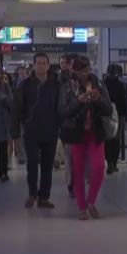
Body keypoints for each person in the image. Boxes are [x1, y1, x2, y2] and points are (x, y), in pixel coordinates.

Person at [59, 56, 113, 220]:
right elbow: (62, 111)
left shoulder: (99, 84)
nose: (86, 73)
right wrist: (78, 101)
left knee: (98, 167)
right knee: (78, 170)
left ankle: (91, 202)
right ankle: (82, 207)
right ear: (73, 71)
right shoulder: (68, 87)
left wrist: (99, 100)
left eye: (88, 69)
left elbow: (108, 109)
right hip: (76, 132)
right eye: (82, 70)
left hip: (95, 131)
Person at [13, 53, 61, 209]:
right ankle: (32, 193)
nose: (41, 66)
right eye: (38, 63)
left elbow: (60, 107)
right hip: (31, 131)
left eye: (44, 63)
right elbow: (17, 108)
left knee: (47, 166)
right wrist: (15, 130)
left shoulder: (56, 85)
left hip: (51, 131)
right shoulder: (25, 85)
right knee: (32, 164)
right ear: (33, 65)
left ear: (48, 65)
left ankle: (44, 197)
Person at [104, 64, 127, 174]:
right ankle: (113, 163)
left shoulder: (103, 84)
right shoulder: (121, 85)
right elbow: (124, 102)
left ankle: (108, 161)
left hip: (106, 115)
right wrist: (125, 115)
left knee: (106, 139)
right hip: (119, 115)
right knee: (116, 139)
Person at [58, 54, 76, 197]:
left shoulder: (80, 81)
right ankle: (71, 184)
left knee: (75, 156)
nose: (63, 65)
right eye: (62, 63)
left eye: (65, 63)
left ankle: (75, 182)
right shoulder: (60, 81)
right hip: (67, 124)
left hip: (78, 124)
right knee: (69, 155)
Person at [10, 65, 29, 166]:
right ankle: (22, 156)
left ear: (27, 73)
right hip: (17, 114)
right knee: (19, 136)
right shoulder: (14, 84)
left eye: (23, 73)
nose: (21, 75)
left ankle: (28, 154)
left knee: (28, 136)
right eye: (20, 73)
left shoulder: (31, 84)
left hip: (28, 114)